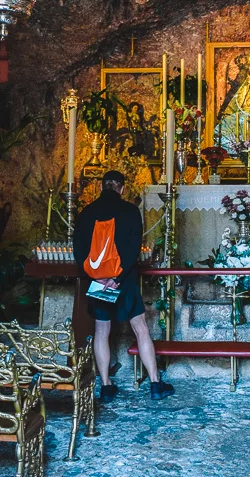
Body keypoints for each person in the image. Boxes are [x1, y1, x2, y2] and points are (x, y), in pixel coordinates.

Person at [73, 170, 174, 401]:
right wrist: (117, 278)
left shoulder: (86, 213)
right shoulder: (129, 211)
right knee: (140, 328)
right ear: (122, 188)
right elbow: (133, 248)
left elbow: (79, 251)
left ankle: (107, 386)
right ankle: (156, 384)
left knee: (101, 330)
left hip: (98, 281)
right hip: (123, 279)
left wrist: (97, 278)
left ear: (101, 187)